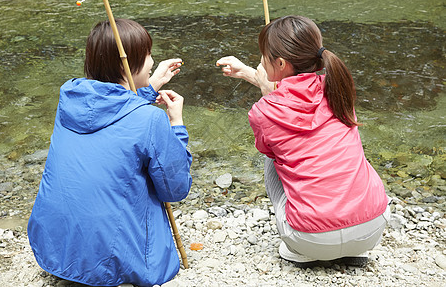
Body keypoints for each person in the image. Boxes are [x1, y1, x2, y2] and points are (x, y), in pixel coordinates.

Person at [28, 19, 192, 286]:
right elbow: (176, 189)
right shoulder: (150, 119)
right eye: (148, 55)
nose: (152, 62)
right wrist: (177, 125)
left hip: (52, 250)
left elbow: (111, 118)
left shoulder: (69, 97)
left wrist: (148, 89)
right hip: (109, 266)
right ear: (126, 64)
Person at [216, 15, 389, 267]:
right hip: (372, 227)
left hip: (311, 239)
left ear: (281, 63)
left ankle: (300, 251)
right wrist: (249, 74)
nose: (261, 62)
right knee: (344, 150)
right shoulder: (338, 87)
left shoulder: (263, 112)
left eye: (263, 57)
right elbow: (297, 93)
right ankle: (352, 248)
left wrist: (264, 91)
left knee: (271, 156)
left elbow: (273, 144)